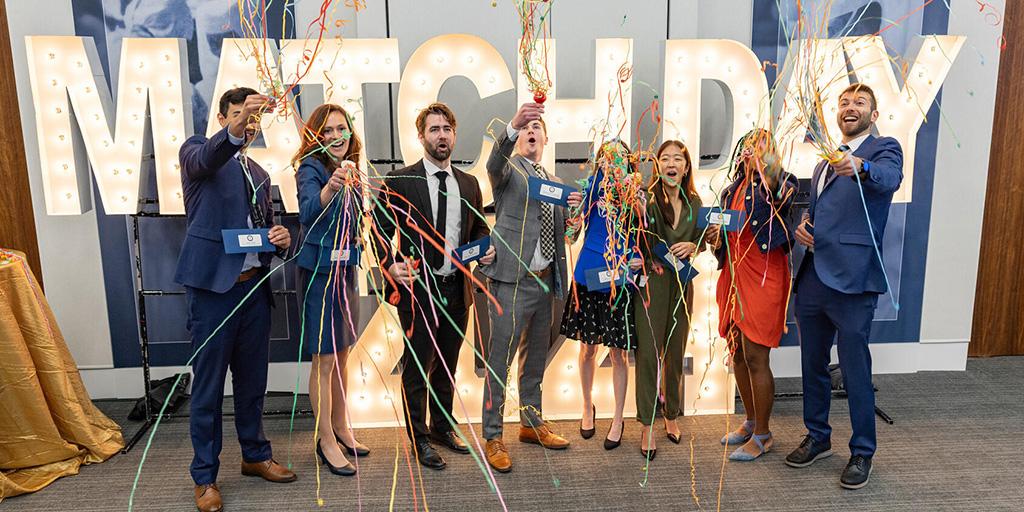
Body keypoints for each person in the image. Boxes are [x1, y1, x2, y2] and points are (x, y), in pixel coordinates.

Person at [175, 87, 295, 512]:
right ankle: (204, 477)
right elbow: (209, 156)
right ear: (223, 118)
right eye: (239, 113)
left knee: (252, 382)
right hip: (212, 292)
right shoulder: (197, 153)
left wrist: (279, 241)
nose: (248, 121)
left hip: (254, 289)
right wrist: (239, 126)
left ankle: (255, 455)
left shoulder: (259, 172)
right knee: (208, 388)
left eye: (253, 116)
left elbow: (265, 230)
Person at [788, 83, 903, 489]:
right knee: (812, 365)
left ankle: (862, 451)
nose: (850, 107)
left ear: (873, 114)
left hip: (854, 280)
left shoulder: (883, 149)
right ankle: (818, 437)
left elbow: (890, 179)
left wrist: (862, 167)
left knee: (855, 371)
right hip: (813, 277)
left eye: (859, 102)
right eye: (844, 102)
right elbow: (821, 211)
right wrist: (805, 226)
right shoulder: (825, 161)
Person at [371, 102, 493, 470]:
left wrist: (484, 248)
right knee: (417, 368)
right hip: (418, 291)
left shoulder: (469, 184)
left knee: (447, 365)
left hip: (457, 289)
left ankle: (442, 426)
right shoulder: (400, 181)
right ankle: (419, 437)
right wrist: (389, 264)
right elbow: (378, 228)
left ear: (454, 135)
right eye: (434, 129)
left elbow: (479, 228)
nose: (442, 135)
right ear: (421, 136)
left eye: (447, 129)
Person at [479, 102, 582, 472]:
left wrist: (575, 220)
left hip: (545, 281)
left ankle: (531, 423)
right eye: (526, 128)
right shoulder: (509, 172)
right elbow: (494, 163)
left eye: (537, 127)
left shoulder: (555, 182)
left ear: (546, 139)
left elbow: (565, 235)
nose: (531, 132)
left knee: (535, 359)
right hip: (511, 280)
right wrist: (511, 125)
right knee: (499, 362)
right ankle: (493, 435)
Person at [709, 129, 798, 462]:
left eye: (762, 146)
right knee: (737, 355)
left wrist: (767, 166)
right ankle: (750, 421)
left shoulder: (779, 182)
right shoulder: (731, 190)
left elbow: (782, 194)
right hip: (733, 276)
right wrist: (715, 237)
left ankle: (764, 434)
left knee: (757, 356)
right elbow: (726, 236)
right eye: (749, 145)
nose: (753, 150)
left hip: (763, 275)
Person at [293, 103, 369, 477]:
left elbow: (353, 217)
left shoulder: (353, 168)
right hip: (319, 275)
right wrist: (329, 188)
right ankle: (324, 440)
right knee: (323, 360)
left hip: (346, 271)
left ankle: (340, 426)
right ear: (317, 137)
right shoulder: (310, 168)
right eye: (328, 130)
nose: (337, 136)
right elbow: (308, 211)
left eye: (342, 128)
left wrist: (358, 234)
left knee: (342, 354)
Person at [560, 140, 643, 452]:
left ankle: (619, 418)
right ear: (600, 163)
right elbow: (571, 236)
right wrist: (573, 217)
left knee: (619, 353)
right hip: (589, 274)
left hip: (620, 279)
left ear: (628, 163)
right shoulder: (590, 188)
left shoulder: (635, 193)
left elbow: (641, 236)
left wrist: (637, 255)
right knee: (588, 349)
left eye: (619, 157)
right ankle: (586, 405)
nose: (613, 162)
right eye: (607, 158)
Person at [633, 140, 704, 460]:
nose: (671, 163)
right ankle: (647, 424)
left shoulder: (695, 202)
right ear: (658, 166)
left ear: (686, 167)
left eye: (678, 159)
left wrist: (693, 247)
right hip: (654, 284)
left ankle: (670, 415)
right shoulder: (646, 199)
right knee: (649, 354)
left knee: (676, 352)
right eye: (665, 159)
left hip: (683, 284)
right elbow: (639, 238)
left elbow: (702, 239)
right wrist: (638, 214)